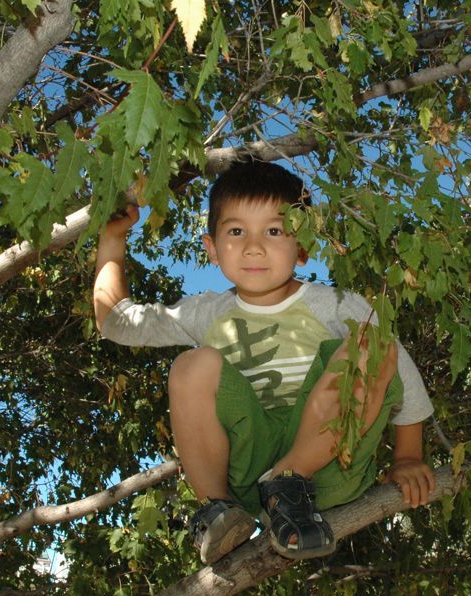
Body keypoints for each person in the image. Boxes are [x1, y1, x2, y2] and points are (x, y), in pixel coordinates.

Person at [94, 161, 436, 563]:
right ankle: (218, 512)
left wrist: (408, 457)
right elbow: (116, 321)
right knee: (191, 366)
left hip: (332, 464)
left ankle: (291, 480)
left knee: (372, 343)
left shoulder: (336, 305)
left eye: (274, 231)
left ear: (303, 246)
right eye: (236, 231)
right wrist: (112, 237)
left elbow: (400, 373)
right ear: (211, 248)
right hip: (251, 474)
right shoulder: (207, 313)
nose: (253, 247)